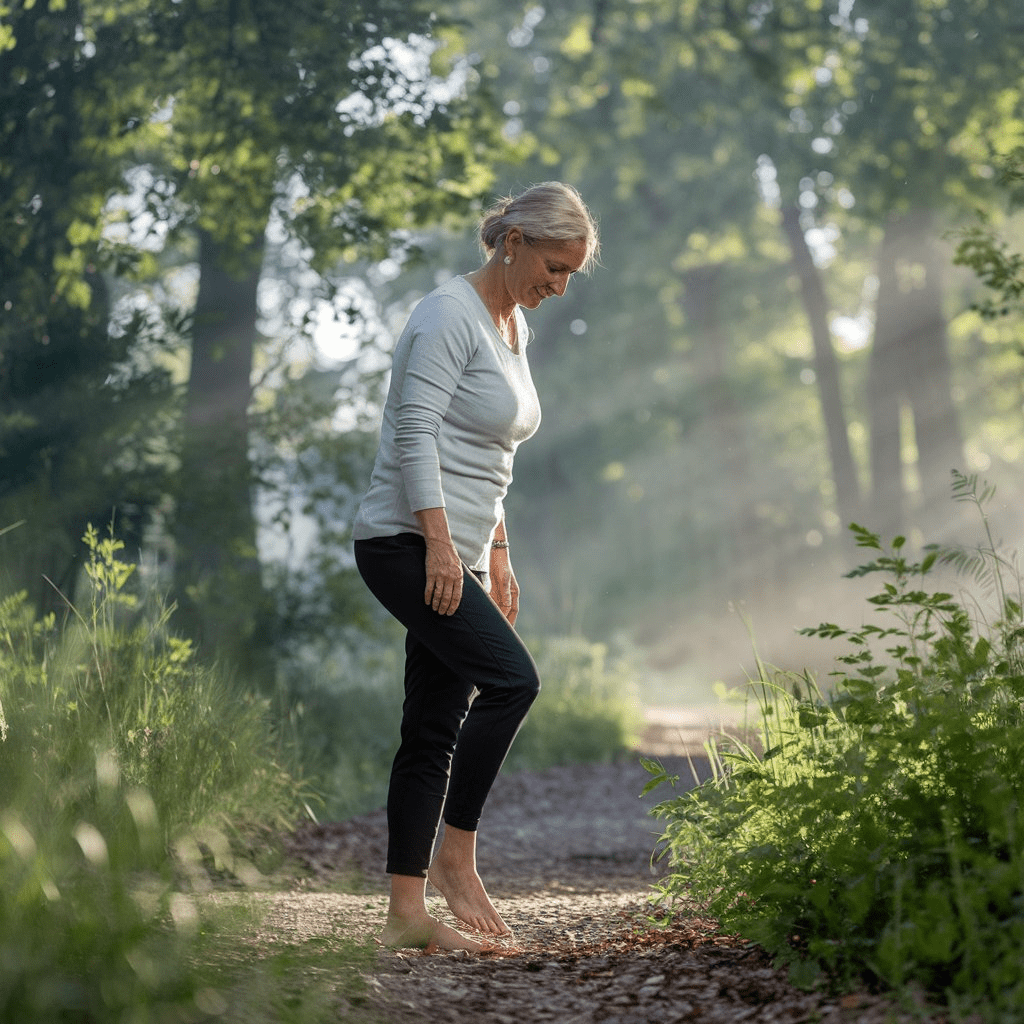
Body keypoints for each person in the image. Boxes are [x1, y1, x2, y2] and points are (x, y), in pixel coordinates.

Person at [352, 181, 599, 954]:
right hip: (404, 543)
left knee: (431, 726)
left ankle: (405, 917)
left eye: (569, 276)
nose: (557, 288)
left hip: (461, 551)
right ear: (513, 240)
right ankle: (455, 859)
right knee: (513, 681)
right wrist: (437, 545)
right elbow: (415, 433)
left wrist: (498, 554)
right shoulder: (446, 315)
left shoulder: (512, 328)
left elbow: (487, 461)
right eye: (554, 268)